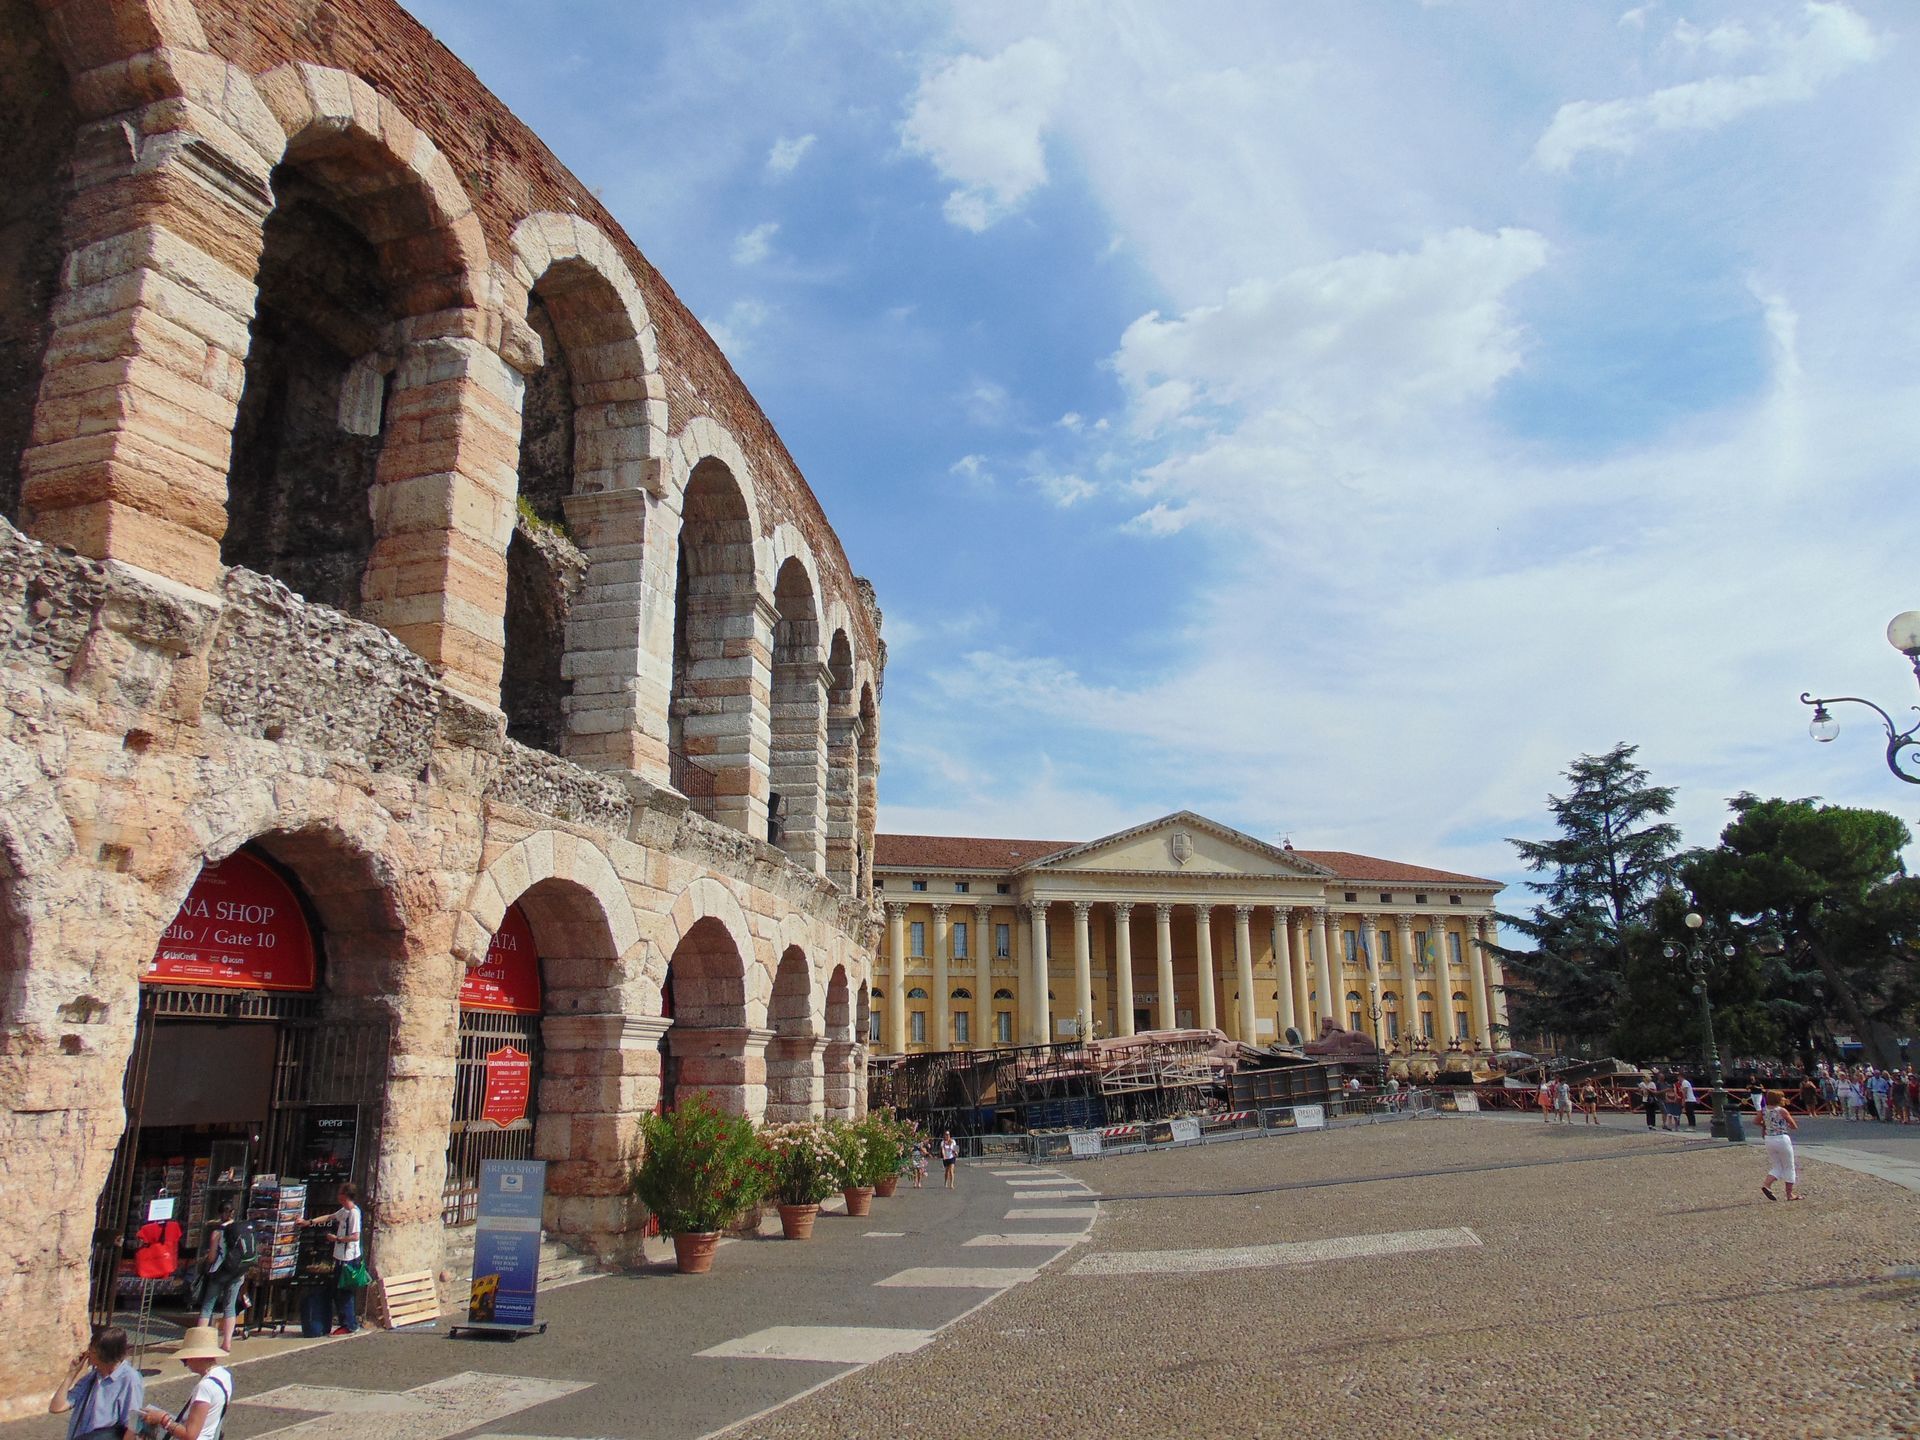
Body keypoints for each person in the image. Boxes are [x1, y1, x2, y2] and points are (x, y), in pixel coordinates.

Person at [49, 1326, 143, 1440]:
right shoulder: (92, 1377)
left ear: (106, 1355)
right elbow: (56, 1407)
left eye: (93, 1351)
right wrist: (71, 1374)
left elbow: (133, 1426)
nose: (87, 1354)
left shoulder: (130, 1379)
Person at [137, 1327, 231, 1440]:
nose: (185, 1365)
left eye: (185, 1359)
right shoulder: (224, 1376)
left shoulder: (205, 1387)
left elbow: (190, 1435)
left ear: (197, 1357)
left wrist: (162, 1419)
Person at [301, 1182, 363, 1335]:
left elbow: (356, 1237)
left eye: (340, 1192)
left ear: (345, 1195)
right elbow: (329, 1217)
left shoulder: (354, 1213)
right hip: (341, 1258)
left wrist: (337, 1239)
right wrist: (309, 1222)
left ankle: (349, 1325)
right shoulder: (344, 1211)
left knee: (344, 1292)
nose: (337, 1195)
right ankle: (347, 1323)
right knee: (338, 1291)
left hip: (348, 1259)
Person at [196, 1199, 248, 1352]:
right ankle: (227, 1343)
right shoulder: (241, 1230)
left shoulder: (217, 1232)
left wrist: (205, 1261)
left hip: (219, 1272)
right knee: (229, 1306)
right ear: (233, 1213)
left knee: (207, 1306)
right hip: (237, 1273)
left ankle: (200, 1342)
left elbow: (212, 1257)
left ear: (220, 1214)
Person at [1760, 1089, 1800, 1201]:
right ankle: (1789, 1194)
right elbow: (1793, 1126)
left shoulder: (1764, 1111)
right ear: (1778, 1099)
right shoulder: (1781, 1111)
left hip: (1769, 1139)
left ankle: (1766, 1185)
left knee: (1777, 1165)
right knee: (1789, 1166)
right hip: (1781, 1138)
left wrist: (1767, 1125)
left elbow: (1757, 1121)